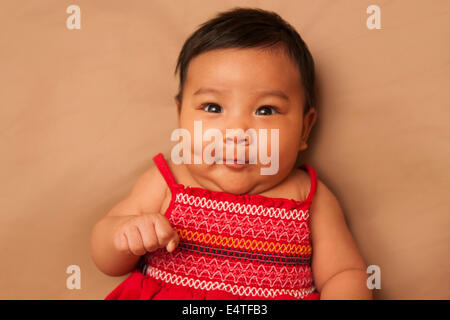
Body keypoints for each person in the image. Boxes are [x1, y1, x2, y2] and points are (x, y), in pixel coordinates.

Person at [90, 7, 373, 300]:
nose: (237, 132)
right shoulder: (165, 182)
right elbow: (106, 259)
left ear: (304, 128)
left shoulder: (308, 197)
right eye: (213, 108)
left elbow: (344, 272)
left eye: (266, 110)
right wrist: (125, 234)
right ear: (180, 115)